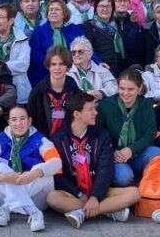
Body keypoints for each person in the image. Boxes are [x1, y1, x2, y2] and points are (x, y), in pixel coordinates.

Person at [49, 92, 140, 227]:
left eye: (95, 109)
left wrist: (95, 196)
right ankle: (109, 211)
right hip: (74, 192)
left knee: (135, 193)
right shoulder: (58, 138)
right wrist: (79, 194)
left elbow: (106, 169)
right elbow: (57, 175)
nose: (95, 113)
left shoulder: (102, 135)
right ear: (76, 114)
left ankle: (81, 212)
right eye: (90, 109)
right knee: (52, 198)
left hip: (99, 190)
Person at [0, 104, 61, 231]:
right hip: (4, 196)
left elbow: (56, 162)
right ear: (8, 122)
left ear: (29, 121)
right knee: (0, 167)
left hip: (37, 198)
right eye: (14, 119)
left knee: (41, 168)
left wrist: (34, 174)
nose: (18, 123)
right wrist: (4, 176)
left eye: (22, 118)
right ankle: (34, 212)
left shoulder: (41, 140)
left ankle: (7, 208)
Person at [99, 68, 160, 187]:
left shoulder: (146, 105)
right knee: (123, 178)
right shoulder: (105, 106)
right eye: (122, 88)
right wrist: (113, 152)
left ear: (140, 88)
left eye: (131, 89)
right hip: (114, 157)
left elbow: (149, 135)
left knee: (156, 152)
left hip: (136, 155)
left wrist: (131, 149)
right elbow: (98, 135)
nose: (125, 93)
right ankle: (129, 177)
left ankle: (140, 179)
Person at [27, 45, 81, 137]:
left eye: (61, 64)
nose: (57, 68)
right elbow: (31, 123)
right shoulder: (36, 93)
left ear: (68, 66)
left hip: (70, 142)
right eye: (53, 64)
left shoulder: (76, 93)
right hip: (44, 143)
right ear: (48, 66)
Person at [28, 0, 84, 84]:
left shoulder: (75, 29)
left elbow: (86, 48)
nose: (53, 12)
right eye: (51, 9)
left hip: (73, 72)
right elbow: (35, 56)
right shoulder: (38, 32)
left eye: (57, 9)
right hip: (45, 75)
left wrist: (98, 62)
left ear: (64, 13)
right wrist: (56, 66)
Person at [0, 3, 31, 103]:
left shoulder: (21, 38)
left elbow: (22, 65)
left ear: (11, 20)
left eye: (1, 17)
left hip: (17, 88)